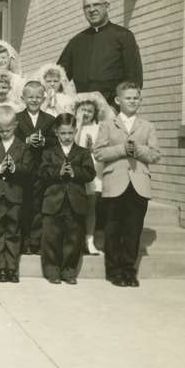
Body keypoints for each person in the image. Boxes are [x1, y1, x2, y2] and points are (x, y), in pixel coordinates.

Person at [93, 82, 160, 287]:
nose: (132, 101)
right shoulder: (107, 125)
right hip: (115, 183)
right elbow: (99, 152)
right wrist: (122, 149)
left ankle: (129, 271)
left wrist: (137, 150)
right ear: (118, 100)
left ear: (140, 100)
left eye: (135, 98)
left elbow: (155, 154)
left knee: (133, 230)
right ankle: (114, 271)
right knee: (113, 229)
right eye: (128, 98)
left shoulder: (147, 126)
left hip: (139, 184)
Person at [58, 0, 144, 105]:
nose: (92, 10)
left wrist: (115, 109)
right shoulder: (76, 42)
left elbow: (134, 79)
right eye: (87, 7)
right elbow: (58, 76)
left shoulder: (123, 36)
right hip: (84, 111)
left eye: (96, 5)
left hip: (114, 110)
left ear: (107, 6)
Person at [38, 113, 95, 285]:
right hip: (53, 201)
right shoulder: (49, 152)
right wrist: (58, 172)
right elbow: (42, 172)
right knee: (51, 237)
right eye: (63, 133)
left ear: (75, 131)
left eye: (70, 133)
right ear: (56, 132)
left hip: (75, 202)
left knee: (74, 238)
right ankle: (52, 271)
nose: (67, 137)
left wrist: (75, 172)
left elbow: (90, 173)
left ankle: (69, 271)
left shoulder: (83, 152)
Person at [0, 106, 33, 283]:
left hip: (14, 195)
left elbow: (29, 168)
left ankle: (12, 267)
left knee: (13, 231)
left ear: (15, 125)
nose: (4, 133)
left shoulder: (23, 146)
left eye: (8, 130)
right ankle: (0, 267)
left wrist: (15, 168)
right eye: (0, 130)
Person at [16, 81, 55, 254]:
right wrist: (26, 141)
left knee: (39, 205)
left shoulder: (50, 120)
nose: (34, 100)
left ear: (43, 98)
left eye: (38, 97)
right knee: (22, 204)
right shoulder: (16, 118)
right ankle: (23, 241)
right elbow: (10, 139)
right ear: (23, 98)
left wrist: (44, 141)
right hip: (22, 168)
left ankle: (35, 241)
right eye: (30, 97)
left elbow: (56, 141)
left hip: (41, 168)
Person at [74, 92, 114, 255]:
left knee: (91, 207)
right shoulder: (74, 126)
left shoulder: (99, 128)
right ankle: (75, 241)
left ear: (95, 113)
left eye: (89, 111)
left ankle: (89, 240)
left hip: (94, 169)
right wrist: (79, 124)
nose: (86, 114)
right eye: (83, 110)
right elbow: (73, 143)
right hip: (77, 168)